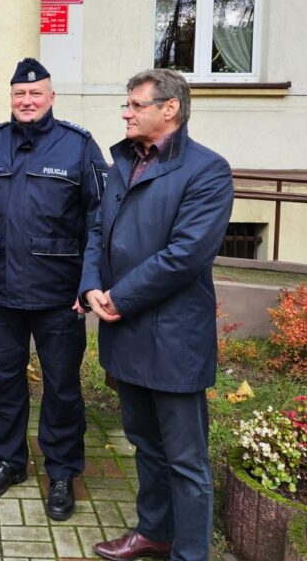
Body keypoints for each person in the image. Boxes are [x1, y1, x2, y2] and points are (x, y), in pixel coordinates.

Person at [80, 68, 233, 561]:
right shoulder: (123, 163)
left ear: (170, 109)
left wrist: (118, 297)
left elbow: (187, 255)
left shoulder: (207, 170)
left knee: (186, 460)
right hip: (126, 333)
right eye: (126, 104)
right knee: (144, 444)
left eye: (135, 105)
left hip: (173, 338)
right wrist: (90, 286)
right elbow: (97, 230)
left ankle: (190, 553)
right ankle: (154, 532)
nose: (125, 113)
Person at [0, 57, 108, 521]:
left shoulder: (78, 146)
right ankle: (8, 462)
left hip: (61, 297)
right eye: (20, 93)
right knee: (3, 383)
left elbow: (100, 220)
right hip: (2, 293)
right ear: (11, 97)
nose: (27, 100)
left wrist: (90, 282)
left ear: (51, 97)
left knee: (61, 387)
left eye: (36, 93)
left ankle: (61, 473)